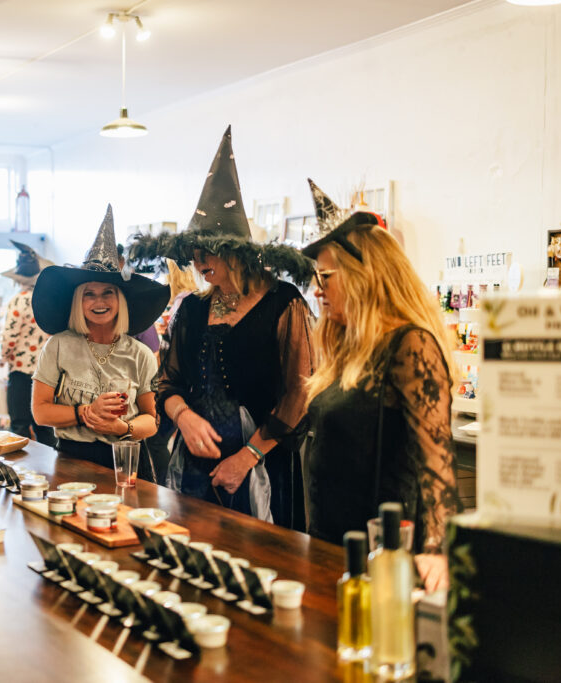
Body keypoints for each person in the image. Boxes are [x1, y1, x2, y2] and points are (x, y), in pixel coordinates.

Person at [129, 126, 316, 528]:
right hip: (195, 470)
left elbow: (299, 392)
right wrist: (184, 417)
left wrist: (248, 456)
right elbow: (168, 382)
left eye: (208, 252)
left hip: (262, 469)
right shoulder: (192, 309)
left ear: (236, 252)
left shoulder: (283, 303)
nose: (198, 263)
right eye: (193, 254)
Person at [300, 178, 462, 593]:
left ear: (362, 275)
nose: (317, 290)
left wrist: (438, 548)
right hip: (331, 542)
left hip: (384, 554)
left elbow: (437, 463)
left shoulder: (411, 345)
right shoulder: (347, 347)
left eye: (325, 277)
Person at [31, 205, 170, 478]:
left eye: (108, 292)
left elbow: (152, 420)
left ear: (121, 300)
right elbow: (41, 412)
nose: (99, 302)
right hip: (72, 460)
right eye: (89, 294)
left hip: (127, 461)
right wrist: (85, 412)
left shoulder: (140, 354)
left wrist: (124, 428)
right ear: (78, 301)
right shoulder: (58, 346)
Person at [0, 240, 55, 446]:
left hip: (21, 369)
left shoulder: (18, 300)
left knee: (20, 423)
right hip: (47, 370)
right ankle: (52, 462)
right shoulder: (49, 299)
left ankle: (22, 462)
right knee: (45, 425)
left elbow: (9, 336)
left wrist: (2, 357)